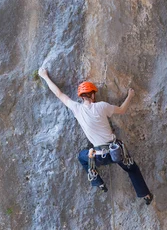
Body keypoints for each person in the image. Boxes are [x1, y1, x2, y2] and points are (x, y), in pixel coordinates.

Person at [38, 68, 153, 204]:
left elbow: (59, 94)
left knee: (82, 157)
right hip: (115, 152)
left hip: (98, 157)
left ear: (81, 97)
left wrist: (44, 76)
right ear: (93, 95)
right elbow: (122, 110)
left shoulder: (76, 109)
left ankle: (98, 182)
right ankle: (145, 195)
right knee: (132, 168)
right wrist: (130, 96)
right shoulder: (102, 106)